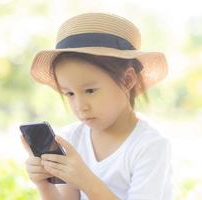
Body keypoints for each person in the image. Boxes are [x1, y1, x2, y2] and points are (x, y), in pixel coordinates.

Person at [20, 12, 173, 200]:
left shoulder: (150, 145)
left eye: (90, 91)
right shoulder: (72, 138)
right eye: (69, 93)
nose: (80, 106)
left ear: (127, 80)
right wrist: (44, 184)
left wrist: (85, 180)